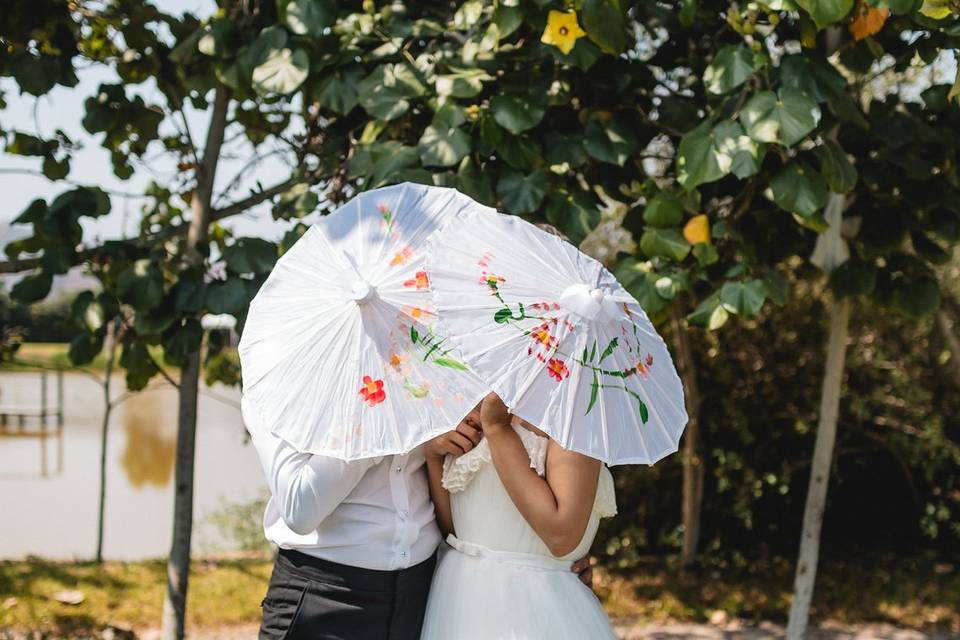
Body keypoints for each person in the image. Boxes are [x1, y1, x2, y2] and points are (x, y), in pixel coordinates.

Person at [243, 394, 593, 640]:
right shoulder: (281, 379)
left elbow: (468, 512)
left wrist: (543, 557)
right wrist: (389, 417)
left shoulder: (445, 376)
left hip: (429, 592)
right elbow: (300, 507)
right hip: (325, 591)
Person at [420, 392, 619, 639]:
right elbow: (457, 532)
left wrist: (497, 429)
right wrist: (433, 456)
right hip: (459, 599)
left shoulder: (573, 407)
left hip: (535, 608)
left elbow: (561, 536)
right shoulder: (469, 394)